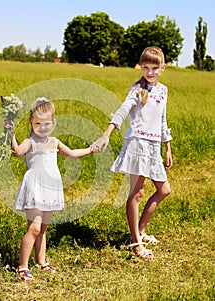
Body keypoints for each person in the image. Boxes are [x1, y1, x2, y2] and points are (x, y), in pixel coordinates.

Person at [93, 46, 173, 260]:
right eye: (145, 67)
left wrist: (167, 147)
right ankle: (136, 243)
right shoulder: (138, 89)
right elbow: (123, 109)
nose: (150, 72)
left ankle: (141, 229)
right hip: (137, 145)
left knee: (164, 190)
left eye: (154, 68)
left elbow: (162, 120)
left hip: (154, 147)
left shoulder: (163, 91)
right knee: (136, 194)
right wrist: (107, 134)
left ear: (163, 68)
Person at [5, 97, 94, 281]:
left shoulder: (54, 141)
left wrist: (91, 149)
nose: (42, 127)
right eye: (38, 123)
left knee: (43, 228)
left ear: (53, 123)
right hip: (35, 187)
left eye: (47, 123)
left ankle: (41, 261)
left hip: (50, 188)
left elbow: (72, 153)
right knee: (34, 228)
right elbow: (17, 152)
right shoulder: (30, 141)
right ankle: (22, 266)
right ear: (31, 122)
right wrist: (10, 133)